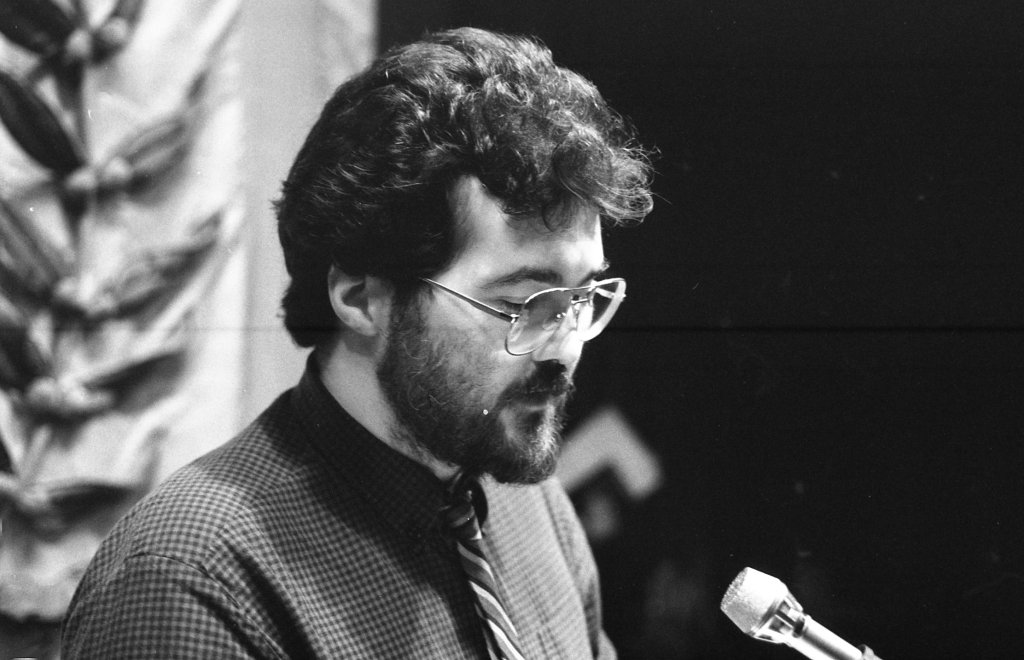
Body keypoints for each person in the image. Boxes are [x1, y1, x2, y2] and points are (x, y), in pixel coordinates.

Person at [61, 27, 652, 659]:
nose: (564, 349)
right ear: (360, 298)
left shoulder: (533, 506)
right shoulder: (189, 579)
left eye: (581, 299)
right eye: (521, 305)